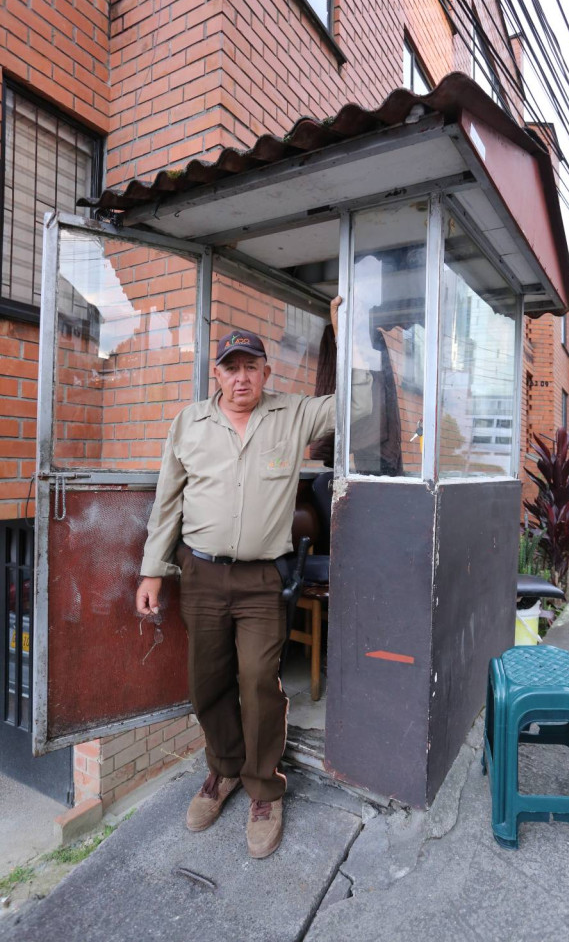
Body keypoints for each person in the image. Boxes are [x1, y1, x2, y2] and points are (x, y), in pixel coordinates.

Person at [135, 296, 372, 859]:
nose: (242, 377)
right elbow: (168, 503)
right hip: (201, 576)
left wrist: (347, 333)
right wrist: (152, 571)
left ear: (266, 372)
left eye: (251, 367)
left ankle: (265, 788)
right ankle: (223, 770)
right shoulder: (188, 423)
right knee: (207, 683)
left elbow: (359, 405)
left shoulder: (293, 414)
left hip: (264, 580)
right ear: (216, 374)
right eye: (231, 367)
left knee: (260, 684)